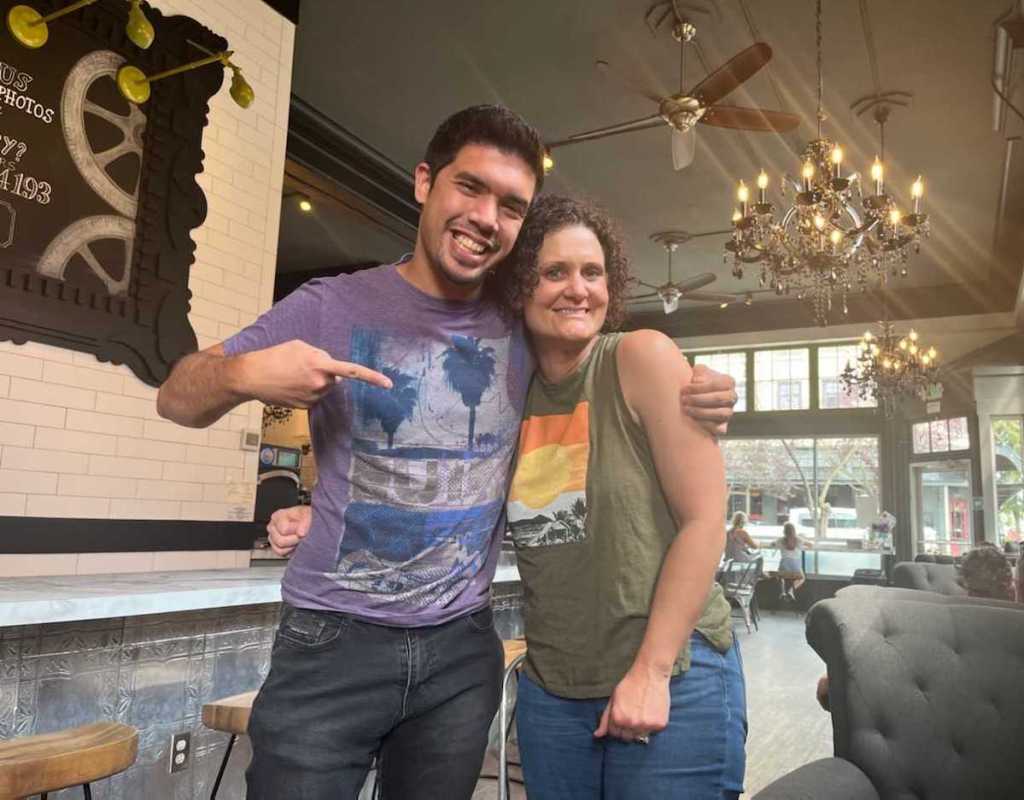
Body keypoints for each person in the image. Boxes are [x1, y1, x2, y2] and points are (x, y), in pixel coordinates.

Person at [159, 104, 739, 800]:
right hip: (333, 644)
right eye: (470, 188)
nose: (486, 217)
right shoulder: (329, 305)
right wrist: (243, 374)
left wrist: (702, 387)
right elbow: (176, 398)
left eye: (511, 205)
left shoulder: (522, 319)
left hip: (461, 653)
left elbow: (604, 376)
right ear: (424, 182)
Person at [492, 194, 745, 799]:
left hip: (673, 676)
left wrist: (650, 671)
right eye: (554, 272)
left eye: (592, 272)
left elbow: (705, 520)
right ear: (520, 287)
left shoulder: (640, 357)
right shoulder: (506, 390)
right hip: (552, 689)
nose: (578, 289)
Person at [772, 521, 811, 601]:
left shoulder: (781, 540)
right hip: (795, 563)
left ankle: (782, 592)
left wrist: (774, 543)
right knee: (801, 578)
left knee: (780, 576)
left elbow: (772, 544)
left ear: (784, 531)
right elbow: (810, 544)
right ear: (794, 530)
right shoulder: (799, 540)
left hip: (784, 562)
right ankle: (791, 590)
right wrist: (804, 544)